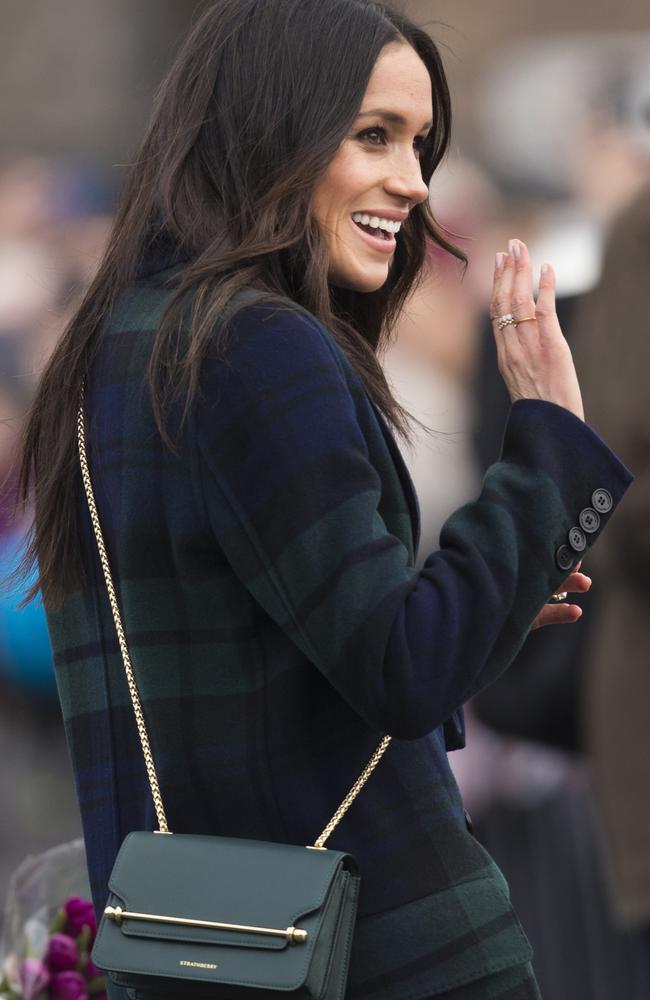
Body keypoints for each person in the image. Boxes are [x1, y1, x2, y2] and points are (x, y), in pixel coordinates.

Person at [16, 2, 633, 998]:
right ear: (271, 128)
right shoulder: (259, 344)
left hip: (196, 944)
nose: (411, 180)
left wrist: (490, 593)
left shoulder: (119, 343)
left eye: (421, 143)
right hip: (376, 947)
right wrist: (550, 442)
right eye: (373, 135)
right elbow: (401, 670)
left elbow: (321, 642)